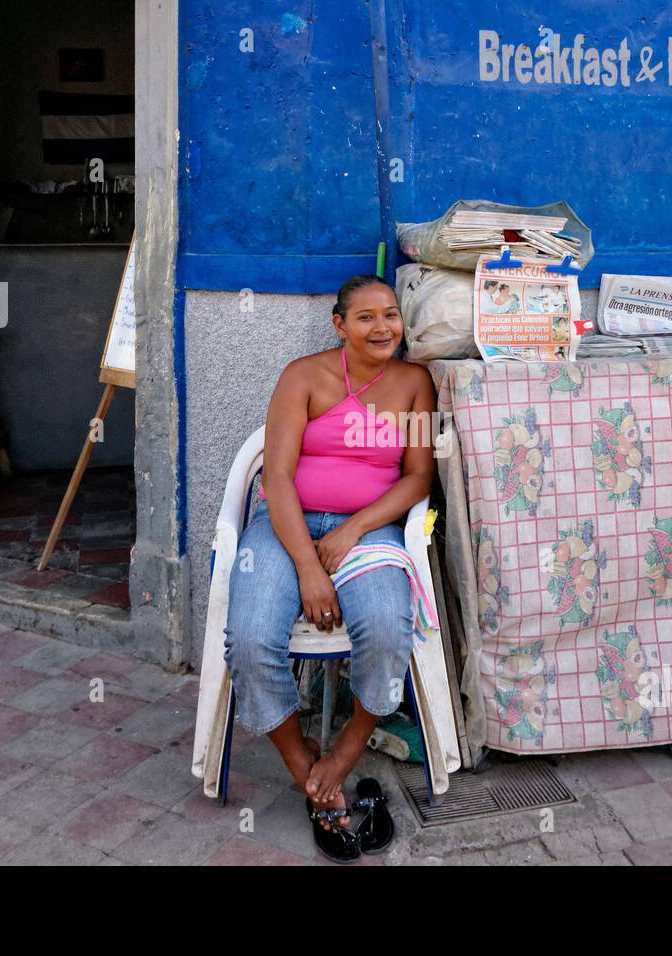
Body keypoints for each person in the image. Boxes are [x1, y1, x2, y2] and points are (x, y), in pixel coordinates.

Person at [223, 274, 436, 859]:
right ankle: (307, 772)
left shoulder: (414, 383)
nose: (382, 327)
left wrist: (353, 528)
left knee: (390, 628)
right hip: (284, 526)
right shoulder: (303, 376)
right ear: (338, 325)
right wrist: (308, 566)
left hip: (366, 531)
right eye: (365, 317)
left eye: (390, 315)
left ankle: (342, 755)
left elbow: (419, 476)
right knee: (247, 637)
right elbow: (278, 477)